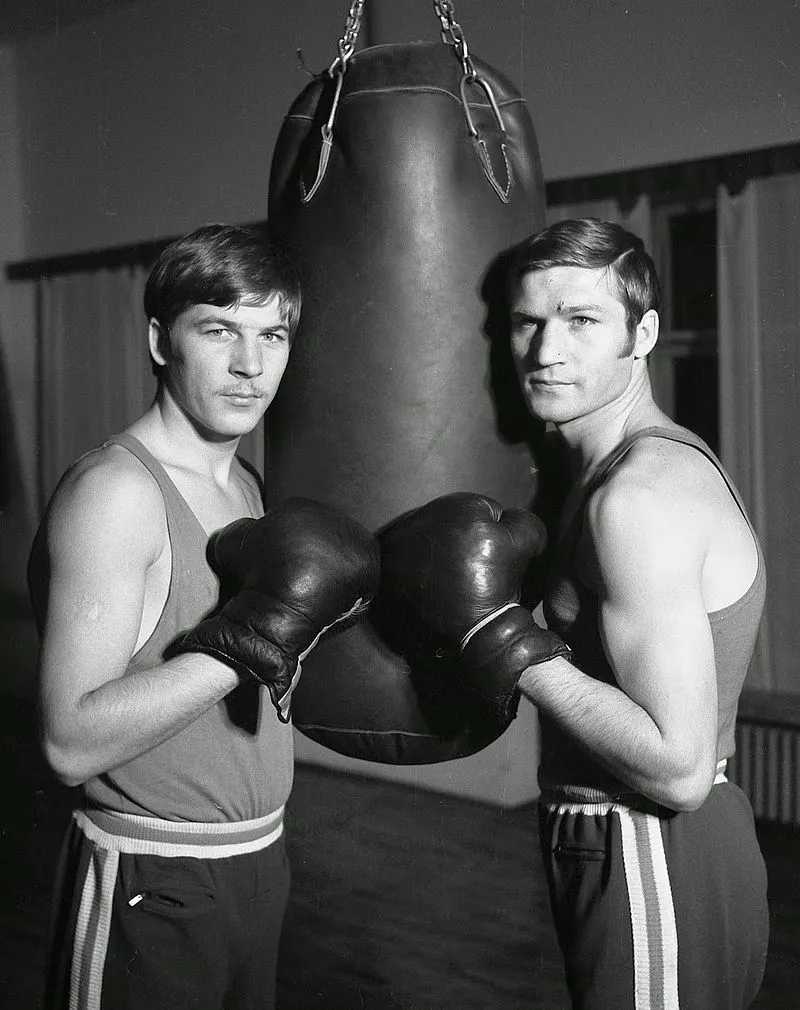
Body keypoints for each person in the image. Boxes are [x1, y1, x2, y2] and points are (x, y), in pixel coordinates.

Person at [378, 218, 769, 1008]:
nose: (546, 350)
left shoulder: (637, 498)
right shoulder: (606, 472)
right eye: (530, 321)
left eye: (582, 320)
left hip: (651, 841)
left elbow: (681, 769)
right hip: (621, 839)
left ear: (644, 333)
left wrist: (508, 640)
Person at [27, 223, 378, 1010]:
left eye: (272, 335)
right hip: (150, 873)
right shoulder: (117, 494)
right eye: (219, 330)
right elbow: (67, 741)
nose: (251, 365)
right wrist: (254, 635)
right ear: (160, 340)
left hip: (260, 862)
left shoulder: (250, 488)